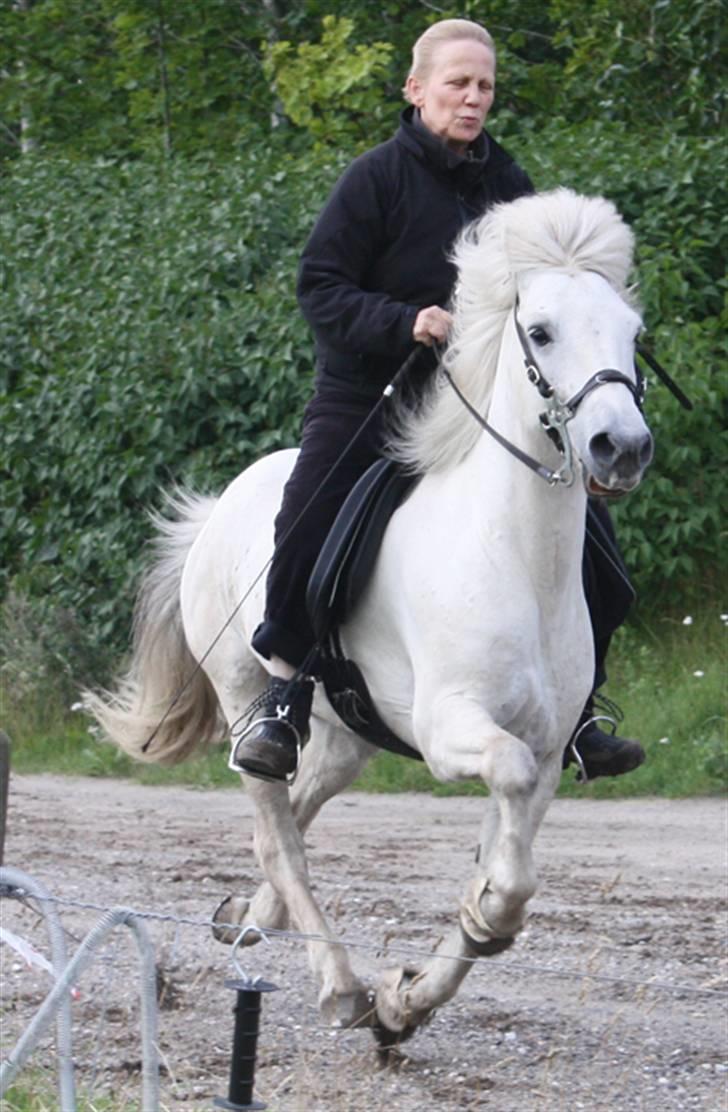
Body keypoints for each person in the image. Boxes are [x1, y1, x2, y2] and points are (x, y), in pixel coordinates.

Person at [232, 18, 645, 784]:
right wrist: (403, 322)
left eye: (485, 85)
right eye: (458, 83)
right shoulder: (374, 179)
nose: (473, 97)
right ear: (417, 89)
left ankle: (580, 712)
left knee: (599, 553)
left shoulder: (509, 186)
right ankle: (284, 698)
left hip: (481, 404)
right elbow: (319, 286)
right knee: (308, 518)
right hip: (372, 395)